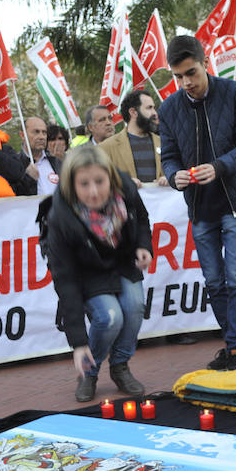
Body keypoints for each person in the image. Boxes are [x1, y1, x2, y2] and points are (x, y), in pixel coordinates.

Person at [159, 35, 236, 370]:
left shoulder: (234, 93)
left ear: (206, 63)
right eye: (178, 76)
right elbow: (169, 158)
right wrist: (175, 177)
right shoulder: (169, 108)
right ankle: (232, 345)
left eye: (191, 72)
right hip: (199, 207)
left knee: (235, 275)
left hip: (234, 201)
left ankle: (235, 348)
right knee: (214, 281)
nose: (186, 82)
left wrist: (219, 167)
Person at [42, 145, 153, 402]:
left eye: (99, 181)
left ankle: (120, 366)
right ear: (71, 184)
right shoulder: (60, 217)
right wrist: (79, 343)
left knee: (135, 305)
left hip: (122, 260)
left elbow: (143, 219)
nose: (93, 191)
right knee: (110, 317)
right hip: (87, 271)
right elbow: (65, 280)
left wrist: (143, 246)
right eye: (84, 184)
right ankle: (89, 373)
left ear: (110, 178)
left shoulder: (125, 188)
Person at [100, 89, 169, 188]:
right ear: (133, 112)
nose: (155, 113)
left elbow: (177, 170)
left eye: (154, 108)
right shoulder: (106, 147)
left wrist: (170, 177)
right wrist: (121, 181)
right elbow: (98, 180)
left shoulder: (164, 143)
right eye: (149, 108)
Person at [19, 116, 62, 197]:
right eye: (36, 132)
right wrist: (28, 179)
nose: (41, 137)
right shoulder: (15, 164)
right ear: (22, 135)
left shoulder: (57, 162)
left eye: (44, 132)